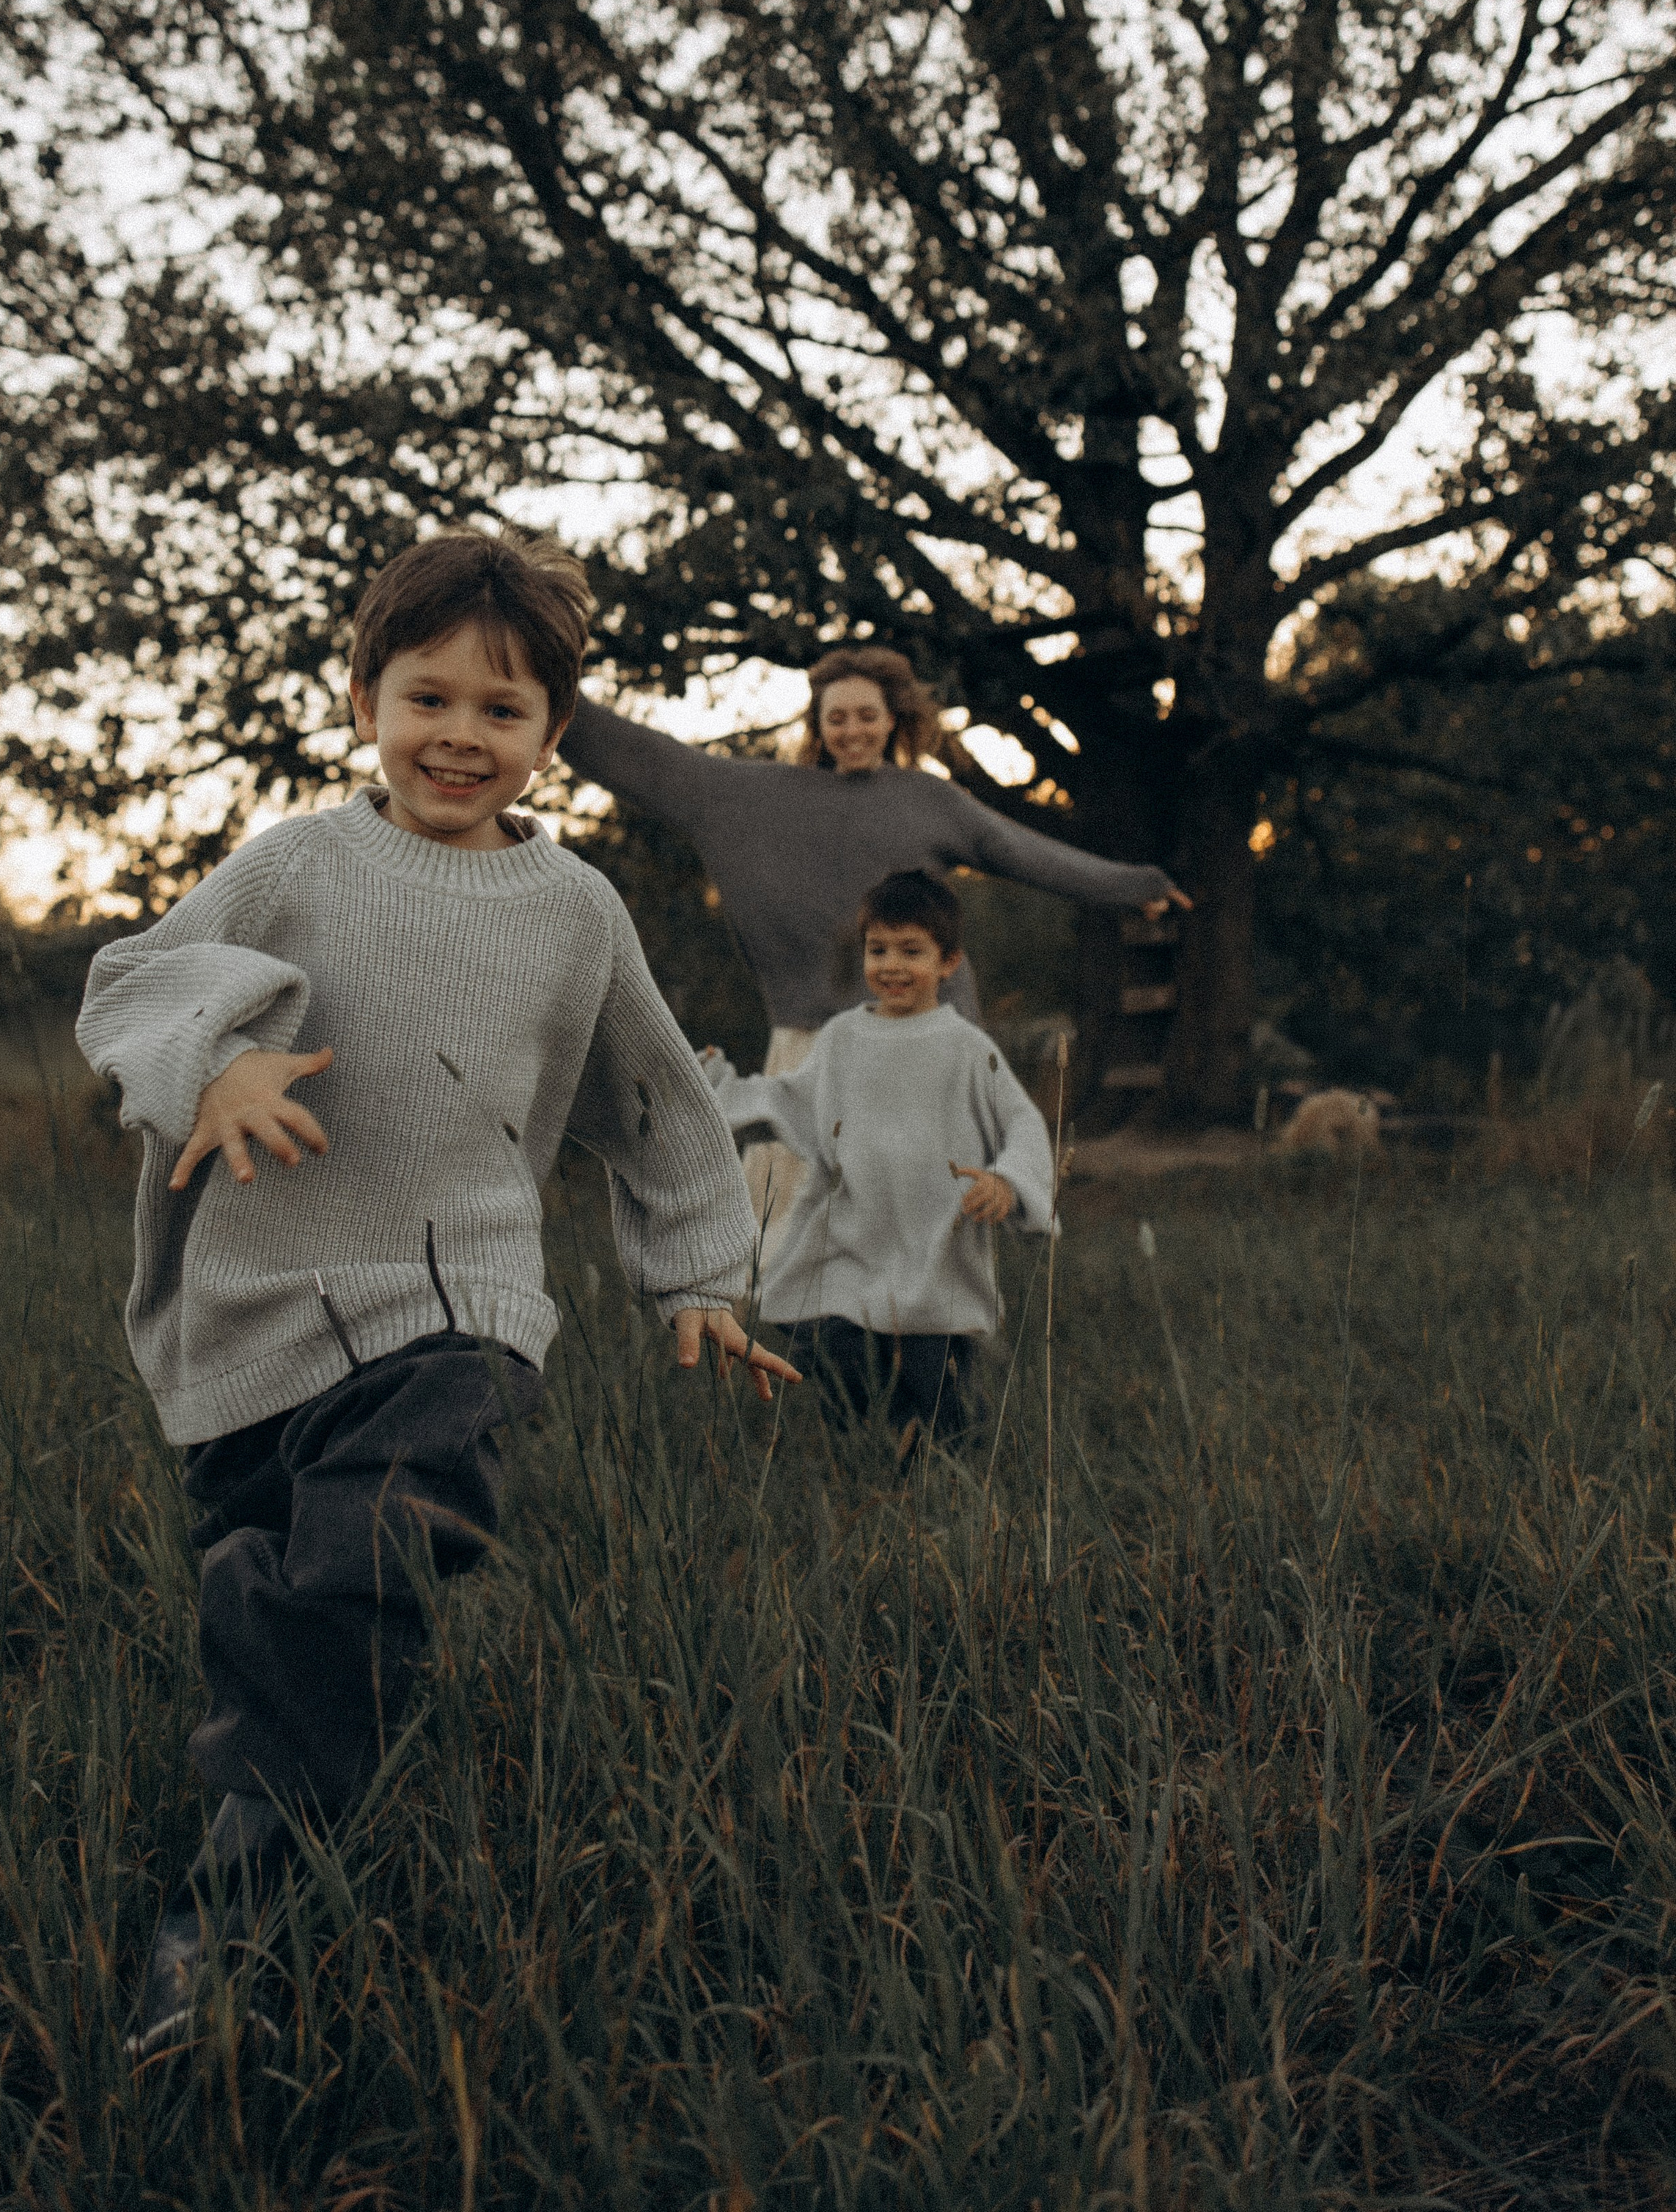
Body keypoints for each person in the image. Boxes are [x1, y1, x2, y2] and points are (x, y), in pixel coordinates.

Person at [77, 526, 797, 2061]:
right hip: (258, 1305)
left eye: (503, 710)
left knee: (380, 1538)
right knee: (296, 1596)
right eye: (429, 698)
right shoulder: (296, 864)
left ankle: (221, 1934)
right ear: (363, 700)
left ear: (551, 736)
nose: (460, 735)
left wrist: (699, 1274)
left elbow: (658, 1103)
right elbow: (139, 984)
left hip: (458, 1302)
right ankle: (296, 1771)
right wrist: (222, 1062)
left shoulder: (574, 912)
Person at [560, 642, 1181, 1240]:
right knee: (788, 1230)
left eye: (867, 716)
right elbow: (645, 757)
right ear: (819, 724)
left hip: (926, 1038)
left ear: (893, 720)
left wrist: (1133, 885)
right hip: (816, 1042)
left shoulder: (931, 801)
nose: (852, 730)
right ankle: (803, 1345)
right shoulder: (751, 797)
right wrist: (553, 689)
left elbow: (1024, 853)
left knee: (925, 1218)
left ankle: (930, 1340)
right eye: (838, 718)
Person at [699, 869, 1054, 1452]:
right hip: (852, 1238)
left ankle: (946, 1470)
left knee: (937, 1388)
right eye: (878, 950)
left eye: (911, 951)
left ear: (950, 962)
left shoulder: (967, 1048)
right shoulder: (842, 1038)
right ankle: (855, 1458)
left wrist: (1009, 1180)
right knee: (840, 1361)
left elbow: (1021, 1121)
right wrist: (715, 1085)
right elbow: (789, 1100)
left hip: (936, 1243)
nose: (891, 965)